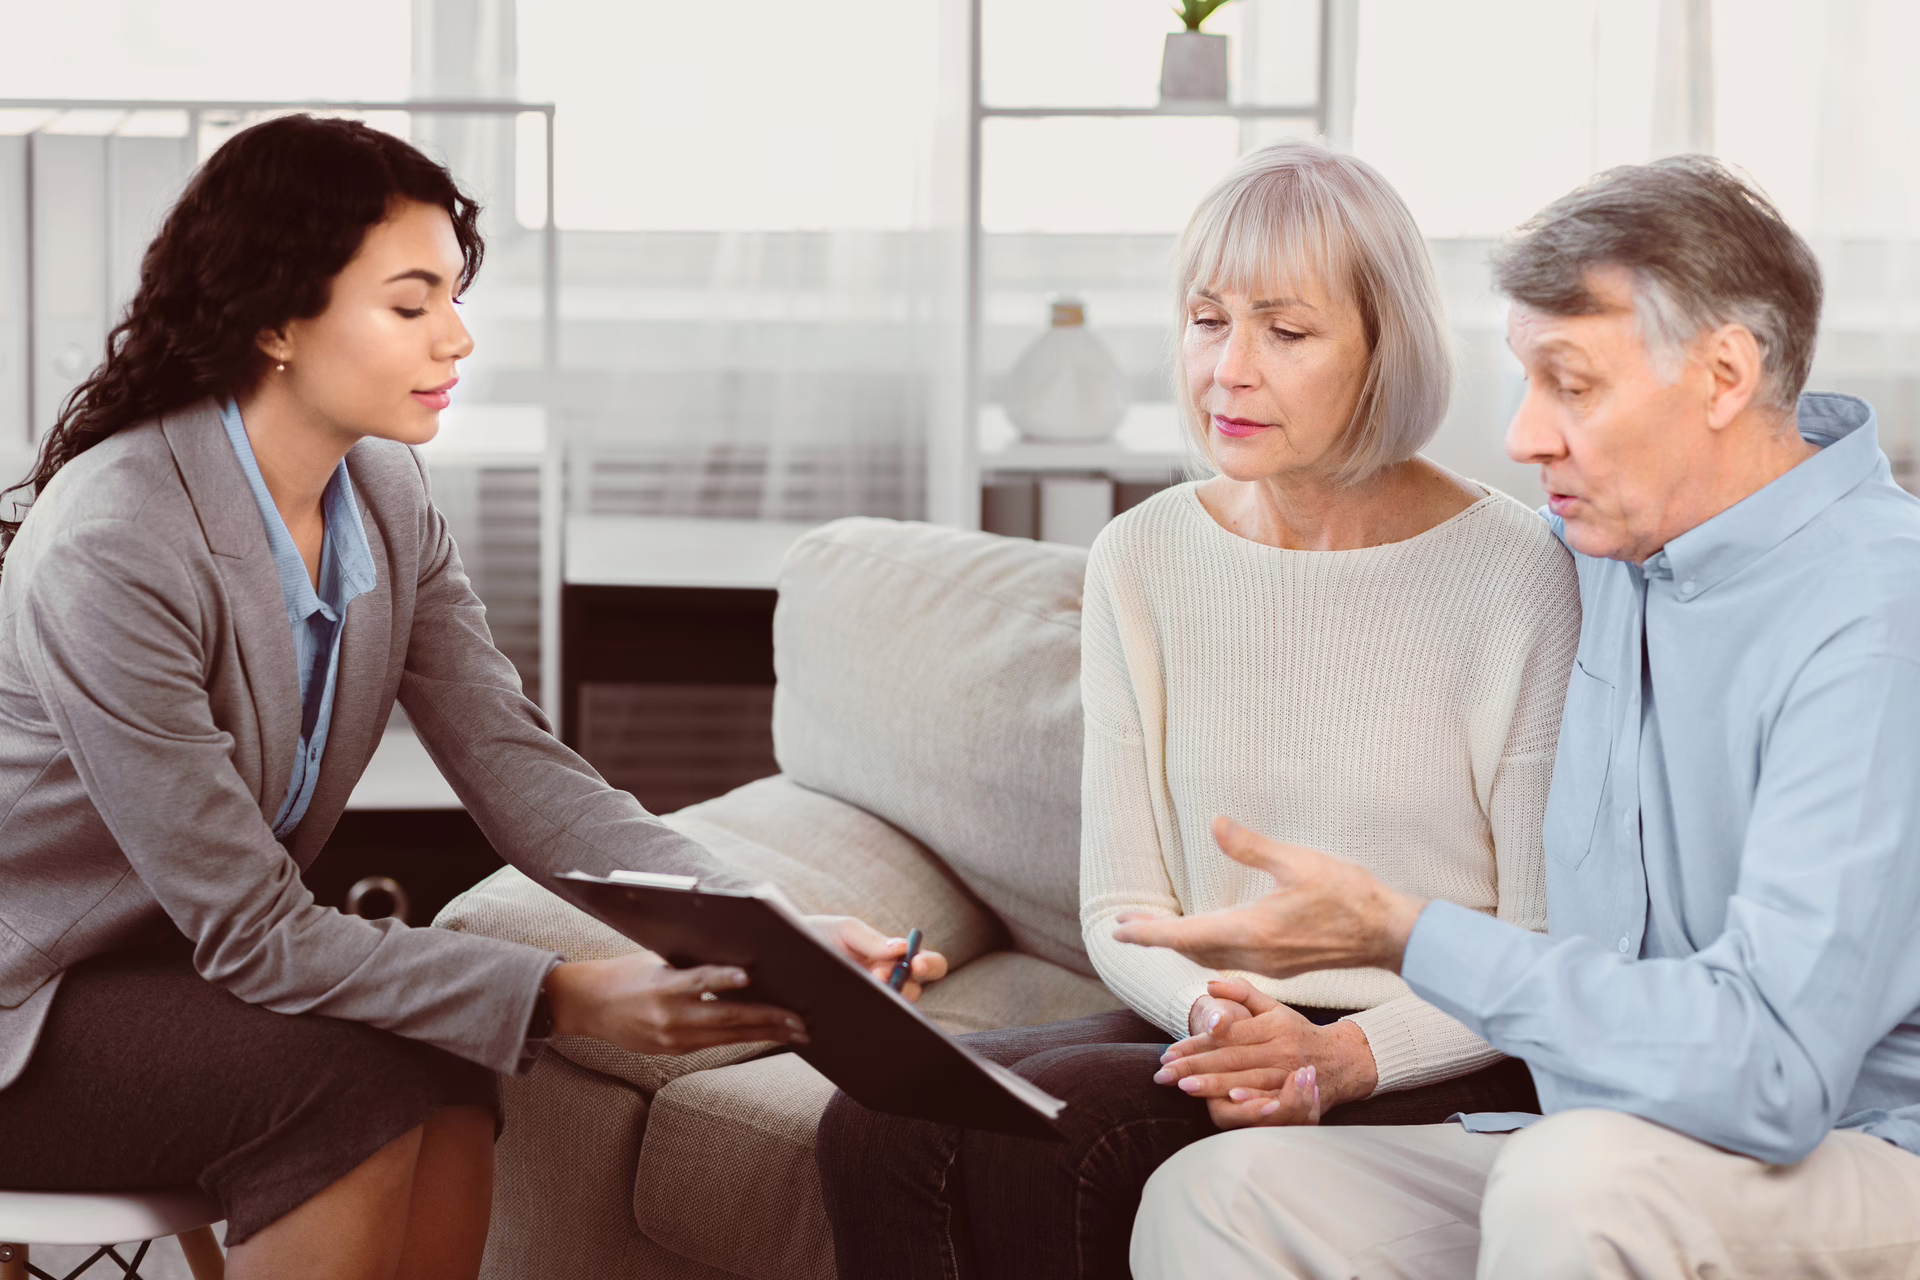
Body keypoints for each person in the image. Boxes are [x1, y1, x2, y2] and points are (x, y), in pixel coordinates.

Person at [0, 114, 944, 1280]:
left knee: (449, 1057)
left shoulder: (384, 493)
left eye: (455, 295)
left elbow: (519, 767)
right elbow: (255, 930)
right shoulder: (117, 541)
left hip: (171, 971)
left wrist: (767, 929)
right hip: (26, 1003)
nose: (457, 336)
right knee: (344, 1085)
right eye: (411, 304)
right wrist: (568, 995)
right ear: (273, 320)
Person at [1120, 155, 1920, 1280]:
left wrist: (1404, 932)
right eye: (1521, 380)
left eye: (1572, 383)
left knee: (1578, 1182)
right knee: (1224, 1197)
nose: (1523, 436)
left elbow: (1774, 1072)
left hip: (1860, 1149)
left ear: (1725, 373)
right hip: (1616, 1141)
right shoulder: (1609, 552)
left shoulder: (1880, 611)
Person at [812, 141, 1578, 1280]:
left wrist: (1346, 1051)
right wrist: (1223, 1027)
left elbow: (1543, 942)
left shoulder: (1518, 571)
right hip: (1212, 1023)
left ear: (1385, 350)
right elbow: (1125, 903)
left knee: (1065, 1143)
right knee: (876, 1117)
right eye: (1207, 319)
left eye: (1287, 329)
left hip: (1435, 1049)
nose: (1229, 369)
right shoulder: (1144, 554)